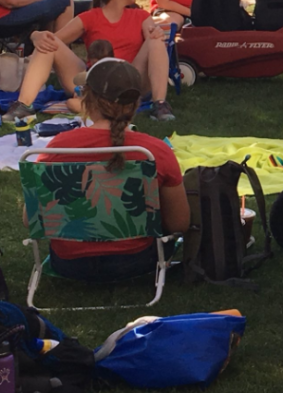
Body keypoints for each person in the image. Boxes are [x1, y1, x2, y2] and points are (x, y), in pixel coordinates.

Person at [33, 58, 189, 281]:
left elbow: (32, 220)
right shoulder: (155, 151)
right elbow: (179, 223)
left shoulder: (57, 148)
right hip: (136, 260)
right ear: (135, 104)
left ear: (88, 98)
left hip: (69, 263)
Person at [3, 0, 175, 123]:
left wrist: (156, 33)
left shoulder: (140, 16)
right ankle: (23, 105)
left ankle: (159, 104)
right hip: (96, 82)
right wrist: (36, 35)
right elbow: (54, 39)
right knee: (49, 43)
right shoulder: (90, 17)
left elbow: (153, 34)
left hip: (129, 81)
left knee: (155, 40)